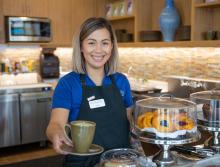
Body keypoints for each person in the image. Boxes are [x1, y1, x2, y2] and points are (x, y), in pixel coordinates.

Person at [46, 17, 134, 167]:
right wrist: (56, 134)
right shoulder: (68, 84)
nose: (99, 50)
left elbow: (128, 121)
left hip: (120, 161)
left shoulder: (121, 81)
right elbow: (55, 124)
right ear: (81, 46)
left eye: (105, 43)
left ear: (112, 46)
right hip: (83, 163)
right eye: (91, 43)